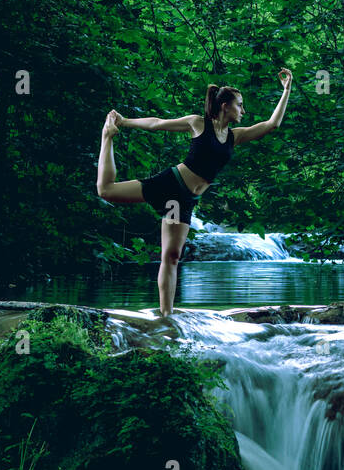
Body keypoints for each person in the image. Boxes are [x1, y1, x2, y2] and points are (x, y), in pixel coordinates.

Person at [96, 71, 293, 316]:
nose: (244, 111)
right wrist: (124, 122)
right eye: (240, 105)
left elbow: (271, 125)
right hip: (171, 184)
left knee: (172, 255)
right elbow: (158, 123)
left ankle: (166, 315)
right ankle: (107, 137)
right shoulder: (198, 123)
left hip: (186, 200)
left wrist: (286, 91)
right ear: (225, 106)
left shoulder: (234, 137)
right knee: (106, 190)